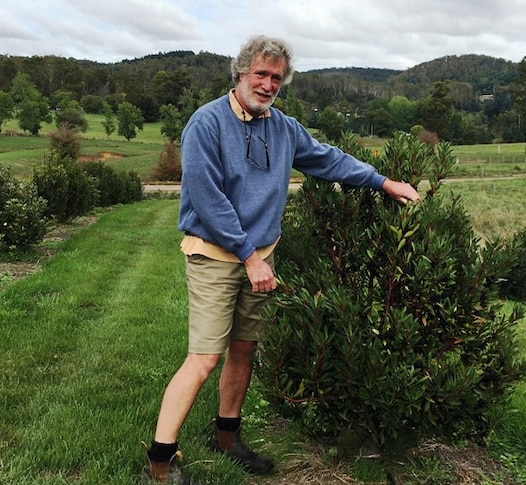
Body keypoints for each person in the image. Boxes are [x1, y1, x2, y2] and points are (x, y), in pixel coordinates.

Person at [141, 35, 420, 484]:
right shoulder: (205, 124)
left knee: (245, 347)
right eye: (261, 74)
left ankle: (227, 437)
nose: (268, 84)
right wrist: (249, 257)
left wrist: (383, 182)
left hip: (260, 258)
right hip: (216, 256)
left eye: (276, 77)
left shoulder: (283, 127)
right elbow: (208, 200)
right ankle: (160, 459)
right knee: (204, 357)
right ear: (240, 74)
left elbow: (327, 160)